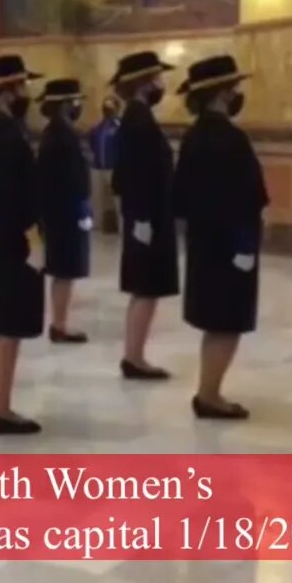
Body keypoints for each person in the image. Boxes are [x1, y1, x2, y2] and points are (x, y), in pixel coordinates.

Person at [173, 56, 268, 420]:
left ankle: (207, 389)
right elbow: (250, 197)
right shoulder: (231, 138)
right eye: (234, 88)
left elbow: (180, 197)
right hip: (231, 246)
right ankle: (209, 395)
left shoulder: (193, 136)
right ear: (224, 93)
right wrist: (245, 245)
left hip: (203, 244)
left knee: (215, 321)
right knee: (227, 322)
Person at [0, 55, 45, 434]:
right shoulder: (3, 135)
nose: (26, 93)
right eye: (22, 86)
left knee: (3, 324)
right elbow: (10, 195)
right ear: (6, 91)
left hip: (5, 236)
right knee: (9, 324)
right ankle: (0, 408)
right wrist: (32, 238)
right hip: (13, 237)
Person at [111, 51, 178, 381]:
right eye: (157, 79)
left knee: (146, 287)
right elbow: (133, 175)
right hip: (146, 216)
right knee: (145, 286)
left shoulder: (137, 117)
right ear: (144, 83)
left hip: (148, 215)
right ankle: (134, 358)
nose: (161, 85)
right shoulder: (138, 120)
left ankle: (135, 354)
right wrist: (141, 221)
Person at [36, 79, 92, 344]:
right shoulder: (60, 135)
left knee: (66, 271)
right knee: (64, 270)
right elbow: (64, 178)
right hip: (64, 212)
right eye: (75, 101)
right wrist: (77, 209)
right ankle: (59, 324)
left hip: (64, 210)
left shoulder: (61, 132)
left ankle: (61, 321)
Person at [88, 95, 123, 234]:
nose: (107, 111)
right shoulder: (97, 129)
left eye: (110, 108)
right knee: (97, 200)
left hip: (114, 169)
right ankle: (97, 228)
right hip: (98, 168)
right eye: (105, 108)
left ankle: (121, 228)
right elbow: (92, 145)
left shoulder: (120, 127)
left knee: (118, 200)